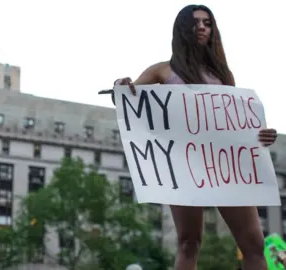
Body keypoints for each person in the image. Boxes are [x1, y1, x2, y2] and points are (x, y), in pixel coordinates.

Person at [111, 5, 277, 270]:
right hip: (183, 162)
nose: (201, 27)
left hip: (225, 165)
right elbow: (128, 100)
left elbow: (234, 124)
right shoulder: (162, 71)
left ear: (213, 31)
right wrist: (120, 87)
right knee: (189, 242)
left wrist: (261, 135)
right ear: (181, 29)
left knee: (254, 245)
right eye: (195, 22)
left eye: (207, 23)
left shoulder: (224, 76)